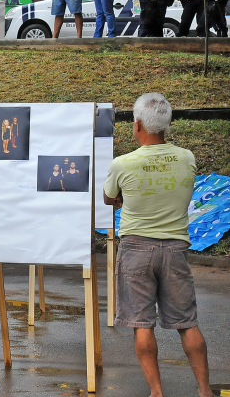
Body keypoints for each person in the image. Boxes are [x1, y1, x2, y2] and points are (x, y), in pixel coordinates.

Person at [103, 92, 211, 397]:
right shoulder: (187, 158)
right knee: (187, 322)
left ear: (137, 124)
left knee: (142, 324)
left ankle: (157, 392)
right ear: (167, 125)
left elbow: (109, 198)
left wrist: (124, 198)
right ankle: (205, 391)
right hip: (175, 249)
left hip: (136, 248)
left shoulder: (123, 164)